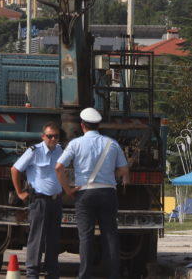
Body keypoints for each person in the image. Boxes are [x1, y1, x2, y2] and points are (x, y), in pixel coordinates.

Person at [55, 108, 129, 279]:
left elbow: (58, 167)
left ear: (82, 125)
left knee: (86, 236)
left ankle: (85, 275)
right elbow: (124, 170)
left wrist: (68, 190)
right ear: (99, 125)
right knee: (110, 235)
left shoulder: (75, 144)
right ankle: (113, 274)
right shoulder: (112, 143)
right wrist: (111, 176)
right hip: (108, 192)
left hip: (85, 193)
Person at [12, 122, 64, 279]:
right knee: (37, 238)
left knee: (54, 238)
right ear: (43, 136)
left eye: (56, 136)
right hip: (39, 201)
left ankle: (52, 271)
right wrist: (20, 192)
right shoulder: (34, 151)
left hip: (56, 201)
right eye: (49, 136)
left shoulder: (60, 150)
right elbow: (15, 169)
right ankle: (32, 273)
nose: (53, 139)